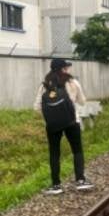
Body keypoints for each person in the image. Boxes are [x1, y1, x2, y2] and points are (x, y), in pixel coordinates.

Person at [34, 59, 93, 194]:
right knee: (77, 150)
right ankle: (80, 181)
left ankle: (56, 185)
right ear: (63, 69)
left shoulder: (45, 85)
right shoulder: (72, 82)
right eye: (66, 67)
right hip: (72, 121)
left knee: (54, 153)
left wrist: (50, 116)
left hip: (52, 124)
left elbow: (37, 106)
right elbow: (82, 102)